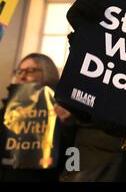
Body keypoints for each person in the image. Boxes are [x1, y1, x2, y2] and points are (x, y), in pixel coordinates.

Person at [0, 53, 72, 182]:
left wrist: (68, 124)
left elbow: (73, 156)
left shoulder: (63, 108)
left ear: (47, 72)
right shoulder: (5, 109)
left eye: (30, 70)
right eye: (19, 71)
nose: (22, 76)